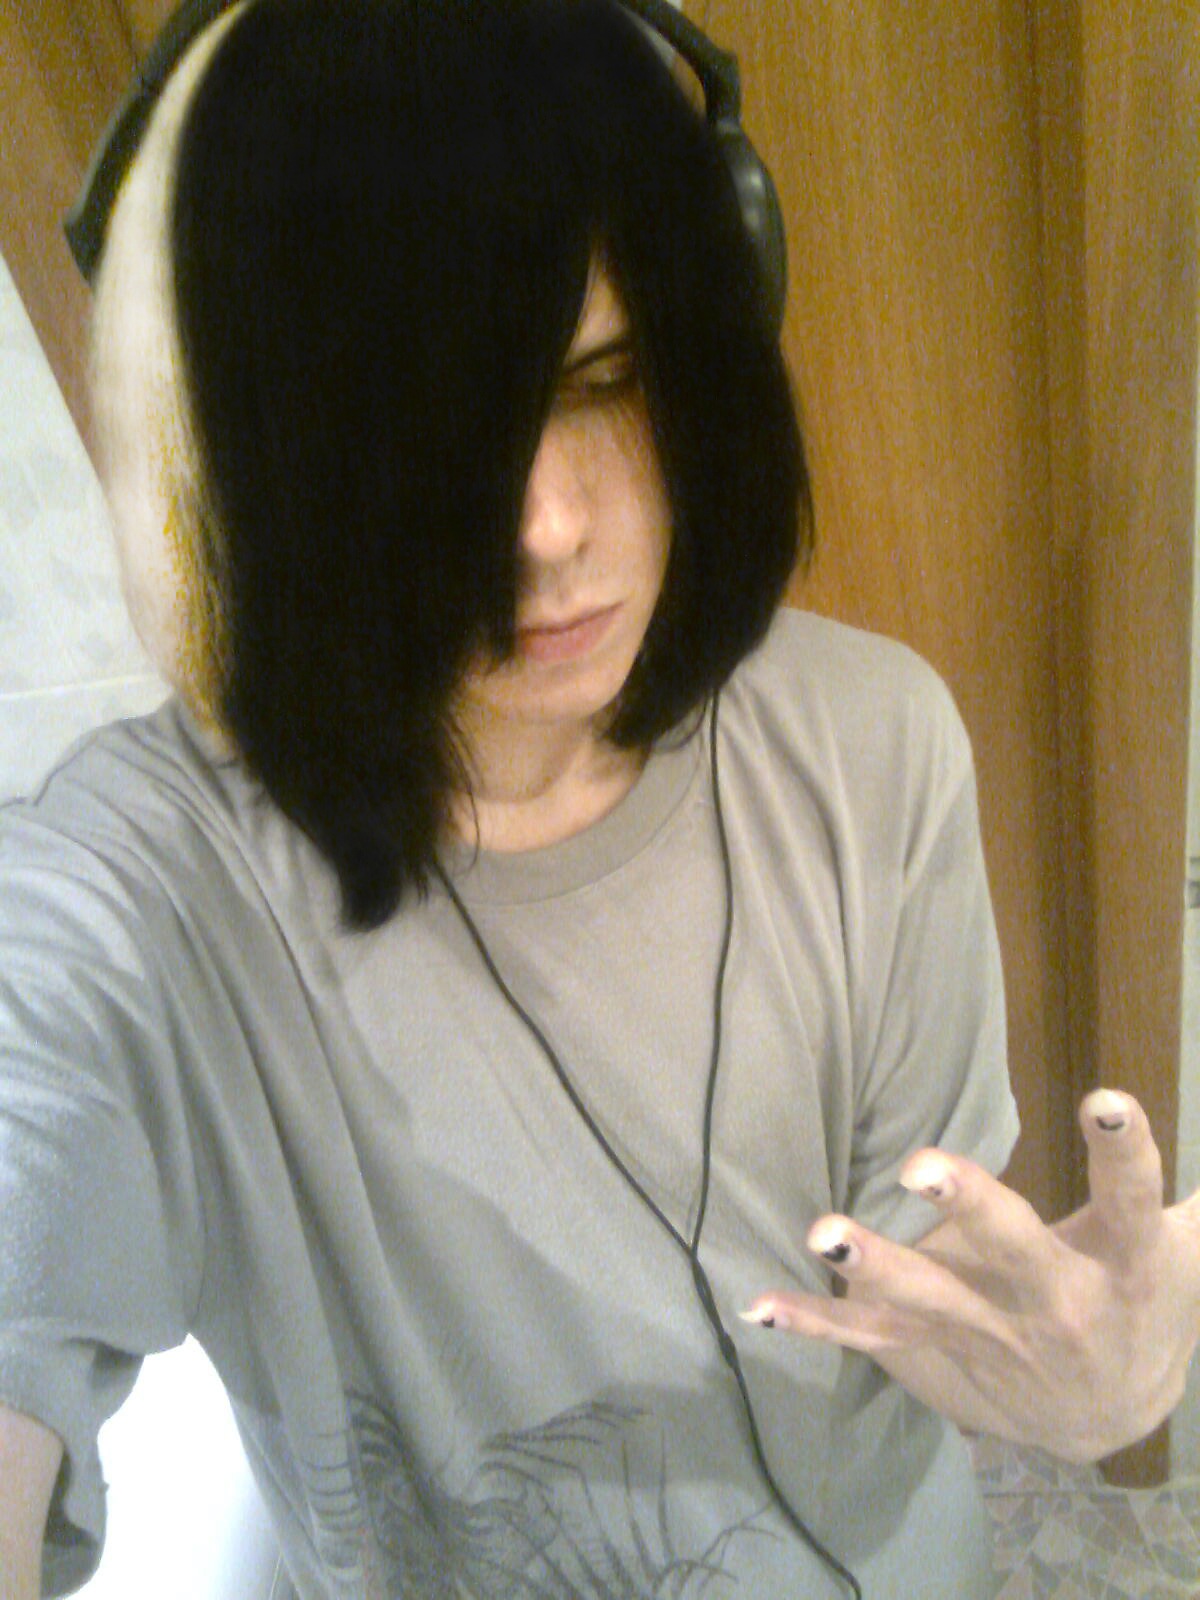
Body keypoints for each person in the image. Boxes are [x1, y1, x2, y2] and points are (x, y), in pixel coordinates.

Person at [1, 2, 1197, 1597]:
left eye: (608, 376)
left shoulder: (876, 743)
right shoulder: (145, 892)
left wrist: (1079, 1388)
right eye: (427, 428)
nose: (545, 526)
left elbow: (912, 1296)